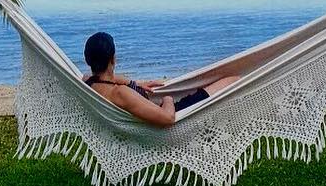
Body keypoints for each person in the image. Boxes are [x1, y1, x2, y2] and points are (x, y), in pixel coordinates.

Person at [81, 31, 236, 127]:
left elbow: (107, 77)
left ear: (88, 61)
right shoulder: (120, 93)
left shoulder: (88, 83)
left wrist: (134, 83)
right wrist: (167, 99)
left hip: (154, 112)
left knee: (216, 82)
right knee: (233, 79)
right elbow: (168, 119)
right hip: (176, 116)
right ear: (113, 59)